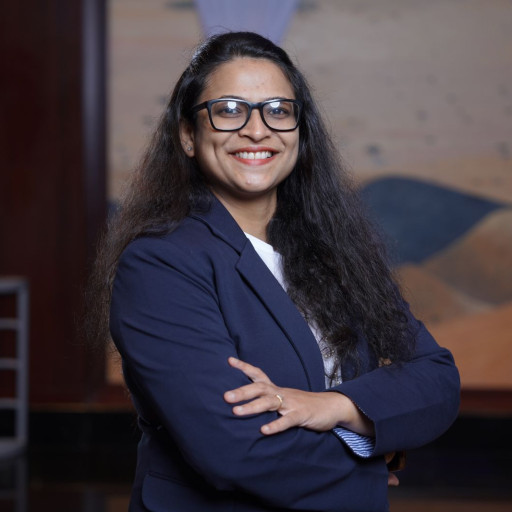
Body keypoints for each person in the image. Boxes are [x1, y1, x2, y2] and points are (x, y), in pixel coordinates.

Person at [89, 31, 460, 511]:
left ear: (300, 132)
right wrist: (369, 452)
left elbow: (437, 379)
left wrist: (335, 406)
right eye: (229, 110)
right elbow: (235, 451)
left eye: (278, 110)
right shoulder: (160, 264)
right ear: (187, 135)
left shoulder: (337, 249)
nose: (257, 130)